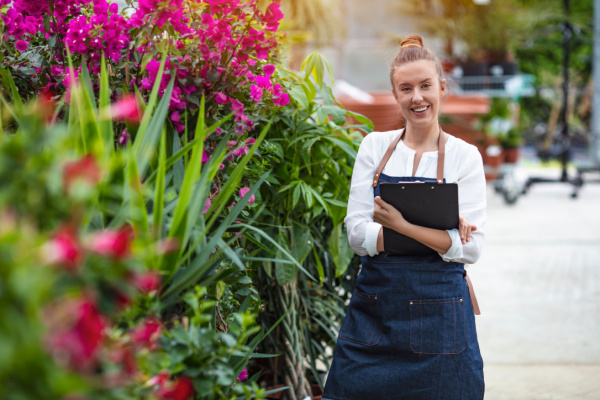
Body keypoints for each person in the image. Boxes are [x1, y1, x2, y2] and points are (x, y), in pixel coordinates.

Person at [322, 34, 487, 400]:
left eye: (426, 86)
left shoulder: (465, 156)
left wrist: (398, 225)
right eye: (406, 88)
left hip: (443, 317)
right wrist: (440, 234)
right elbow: (356, 235)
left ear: (442, 88)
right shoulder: (374, 146)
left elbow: (472, 249)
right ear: (395, 94)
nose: (417, 97)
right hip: (376, 314)